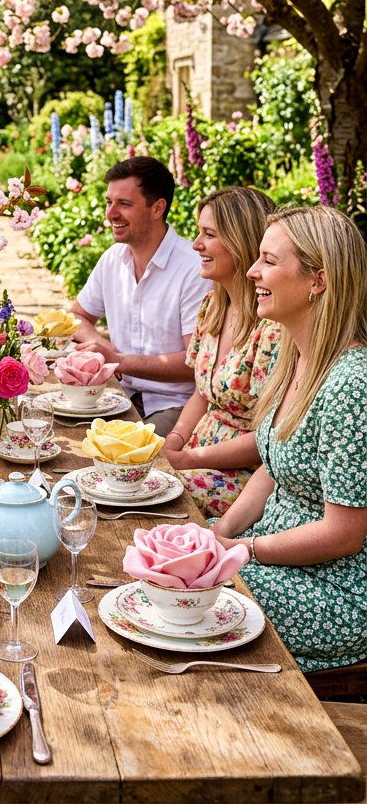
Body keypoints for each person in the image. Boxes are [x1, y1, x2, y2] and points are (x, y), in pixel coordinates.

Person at [214, 205, 367, 672]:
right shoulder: (294, 355)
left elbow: (344, 533)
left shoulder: (351, 382)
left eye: (269, 261)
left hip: (333, 590)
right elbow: (271, 467)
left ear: (317, 281)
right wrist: (219, 534)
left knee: (186, 596)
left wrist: (243, 551)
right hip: (276, 557)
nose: (253, 271)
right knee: (174, 575)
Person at [69, 156, 209, 436]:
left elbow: (196, 363)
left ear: (158, 208)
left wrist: (118, 360)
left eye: (124, 204)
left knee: (123, 459)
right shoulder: (113, 259)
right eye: (109, 202)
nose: (111, 213)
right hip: (119, 396)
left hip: (175, 405)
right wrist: (102, 349)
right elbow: (77, 316)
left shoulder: (193, 268)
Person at [162, 187, 280, 516]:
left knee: (149, 495)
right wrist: (174, 440)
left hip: (244, 477)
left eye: (208, 234)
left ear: (240, 243)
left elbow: (269, 440)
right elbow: (203, 393)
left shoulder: (273, 327)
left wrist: (186, 460)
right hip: (197, 452)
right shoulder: (212, 306)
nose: (196, 244)